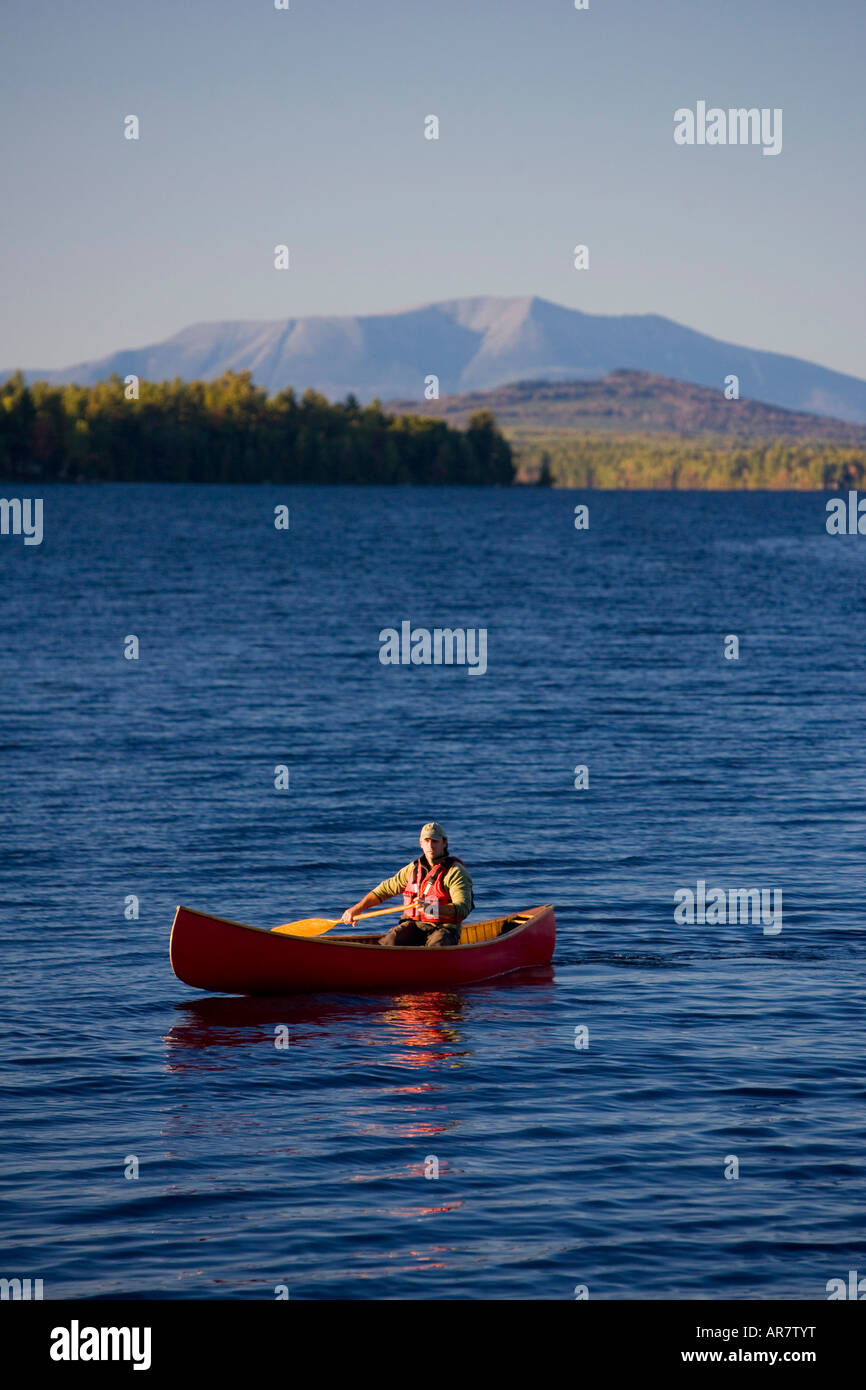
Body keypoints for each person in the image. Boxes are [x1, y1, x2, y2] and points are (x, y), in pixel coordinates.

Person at [341, 822, 473, 947]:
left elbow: (462, 908)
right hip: (415, 924)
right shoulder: (413, 869)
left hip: (444, 928)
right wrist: (357, 909)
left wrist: (431, 908)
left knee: (435, 946)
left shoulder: (455, 872)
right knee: (390, 941)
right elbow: (384, 890)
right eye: (427, 841)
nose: (430, 846)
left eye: (435, 841)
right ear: (421, 843)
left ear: (444, 843)